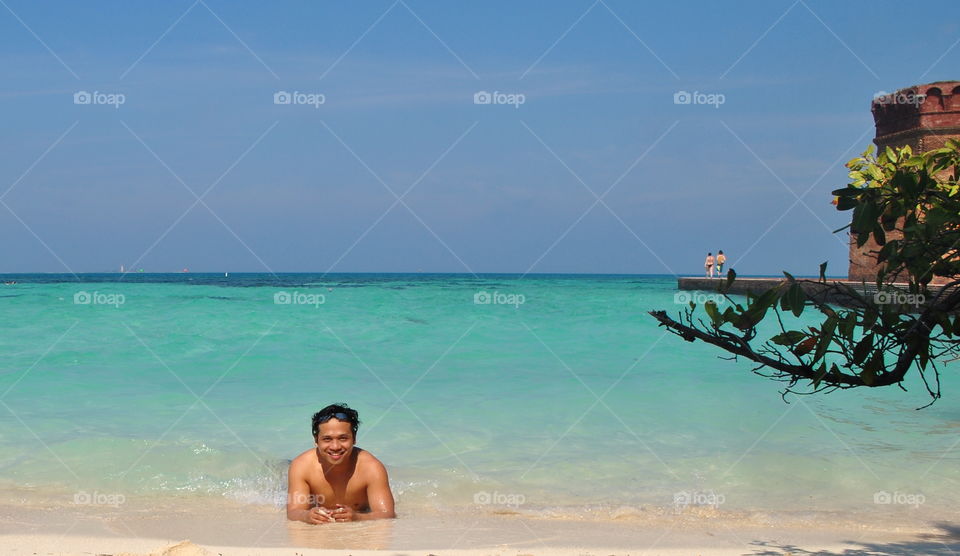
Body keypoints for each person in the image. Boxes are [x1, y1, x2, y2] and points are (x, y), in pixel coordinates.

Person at [287, 404, 396, 523]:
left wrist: (358, 517)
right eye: (327, 439)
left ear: (354, 438)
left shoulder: (372, 468)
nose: (335, 446)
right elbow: (293, 511)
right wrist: (307, 516)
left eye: (343, 438)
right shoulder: (301, 466)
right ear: (316, 440)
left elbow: (387, 514)